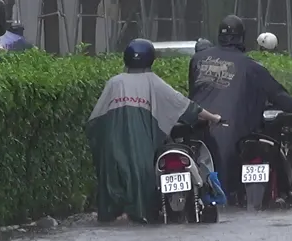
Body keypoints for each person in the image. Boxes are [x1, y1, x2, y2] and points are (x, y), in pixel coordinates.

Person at [87, 39, 222, 223]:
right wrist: (213, 117)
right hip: (140, 152)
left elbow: (94, 121)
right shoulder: (154, 82)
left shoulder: (114, 83)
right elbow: (186, 106)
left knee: (111, 186)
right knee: (144, 189)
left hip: (112, 151)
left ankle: (113, 213)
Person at [189, 15, 292, 203]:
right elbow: (276, 93)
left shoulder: (198, 60)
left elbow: (193, 92)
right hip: (236, 131)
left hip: (199, 128)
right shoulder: (251, 66)